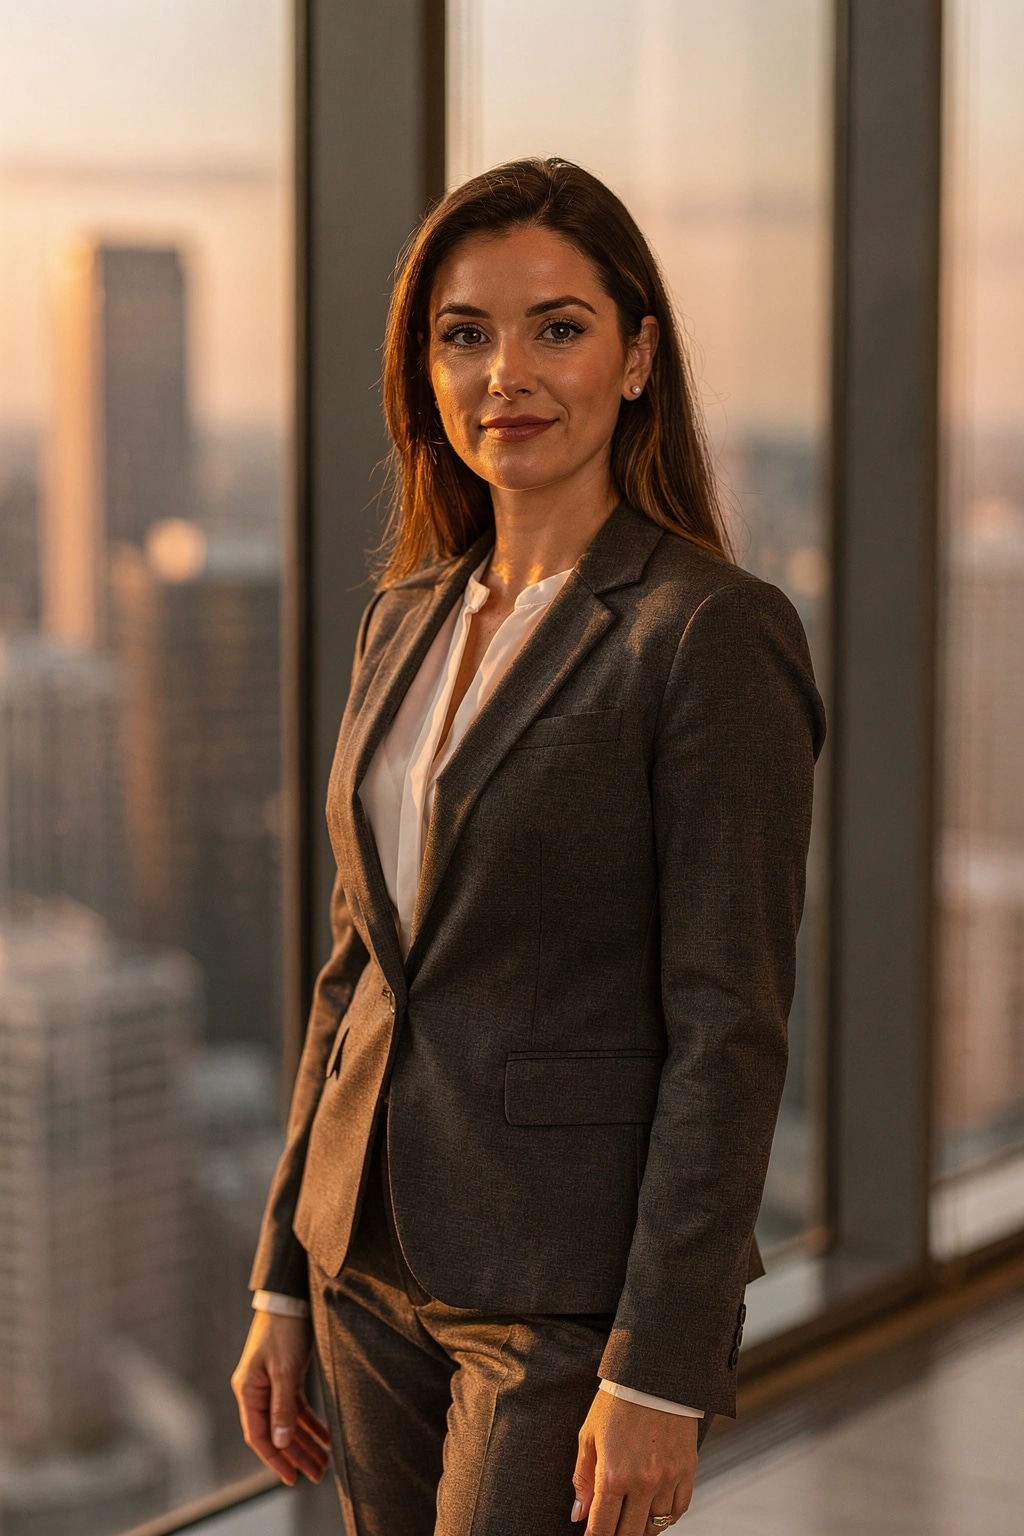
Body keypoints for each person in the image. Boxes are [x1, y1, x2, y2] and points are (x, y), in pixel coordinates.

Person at [231, 157, 826, 1536]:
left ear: (637, 360)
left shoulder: (705, 635)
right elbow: (355, 974)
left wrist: (664, 1369)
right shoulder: (408, 619)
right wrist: (281, 1269)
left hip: (562, 1294)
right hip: (363, 1254)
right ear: (425, 370)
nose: (508, 370)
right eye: (465, 333)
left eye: (558, 326)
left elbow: (728, 1022)